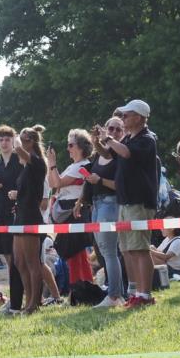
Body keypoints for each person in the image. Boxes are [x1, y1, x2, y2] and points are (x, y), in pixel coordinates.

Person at [96, 99, 159, 308]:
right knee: (129, 250)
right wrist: (98, 141)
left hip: (139, 202)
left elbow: (125, 153)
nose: (122, 119)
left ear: (139, 118)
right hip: (125, 202)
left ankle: (145, 295)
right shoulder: (130, 139)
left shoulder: (146, 139)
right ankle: (136, 293)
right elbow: (108, 154)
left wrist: (109, 139)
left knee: (140, 249)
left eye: (126, 115)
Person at [77, 119, 126, 307]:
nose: (113, 131)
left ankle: (114, 295)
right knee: (105, 252)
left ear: (122, 132)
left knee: (110, 251)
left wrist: (100, 180)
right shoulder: (100, 155)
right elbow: (102, 154)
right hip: (97, 205)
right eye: (110, 128)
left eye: (117, 129)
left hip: (110, 203)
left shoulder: (119, 154)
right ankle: (116, 293)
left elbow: (119, 185)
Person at [47, 129, 94, 286]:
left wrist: (52, 164)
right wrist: (50, 165)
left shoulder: (82, 165)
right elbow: (53, 183)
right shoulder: (73, 166)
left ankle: (80, 287)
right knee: (76, 253)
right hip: (69, 211)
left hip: (74, 211)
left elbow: (57, 183)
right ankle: (81, 287)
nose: (68, 148)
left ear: (80, 146)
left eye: (70, 145)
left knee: (74, 251)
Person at [9, 127, 48, 314]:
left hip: (31, 216)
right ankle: (29, 298)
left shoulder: (38, 163)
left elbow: (19, 150)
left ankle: (35, 302)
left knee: (32, 262)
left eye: (23, 141)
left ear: (31, 142)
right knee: (19, 262)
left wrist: (17, 141)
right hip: (20, 216)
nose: (19, 145)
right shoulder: (25, 167)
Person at [0, 126, 24, 314]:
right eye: (0, 139)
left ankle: (23, 300)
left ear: (13, 140)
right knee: (9, 261)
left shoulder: (21, 161)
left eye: (7, 139)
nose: (4, 142)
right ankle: (14, 300)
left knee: (22, 261)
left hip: (18, 215)